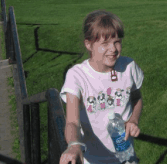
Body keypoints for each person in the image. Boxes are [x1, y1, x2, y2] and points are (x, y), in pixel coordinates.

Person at [59, 10, 144, 164]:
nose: (113, 49)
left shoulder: (129, 67)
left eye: (117, 41)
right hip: (93, 160)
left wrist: (134, 120)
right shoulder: (77, 76)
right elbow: (72, 121)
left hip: (127, 159)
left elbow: (137, 97)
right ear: (89, 44)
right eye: (105, 43)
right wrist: (73, 145)